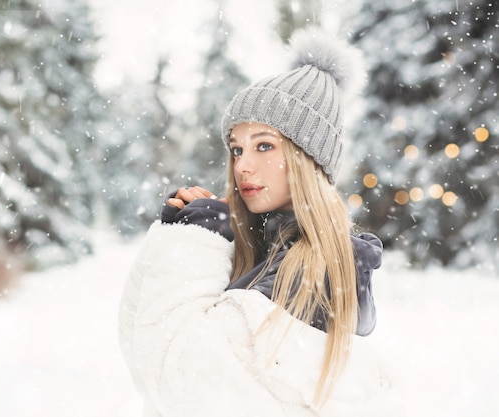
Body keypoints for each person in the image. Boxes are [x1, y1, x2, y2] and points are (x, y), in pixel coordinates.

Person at [118, 27, 397, 417]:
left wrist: (195, 241)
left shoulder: (313, 272)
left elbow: (179, 384)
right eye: (236, 149)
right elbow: (143, 356)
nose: (242, 166)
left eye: (264, 145)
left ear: (307, 161)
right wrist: (176, 239)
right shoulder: (260, 253)